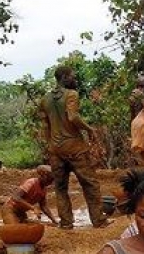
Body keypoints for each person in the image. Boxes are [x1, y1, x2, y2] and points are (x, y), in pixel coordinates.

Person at [38, 65, 111, 229]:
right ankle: (98, 220)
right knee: (90, 183)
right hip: (75, 147)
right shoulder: (71, 94)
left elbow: (45, 126)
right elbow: (72, 117)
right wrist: (89, 129)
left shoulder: (45, 99)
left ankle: (66, 222)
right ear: (64, 77)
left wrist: (51, 146)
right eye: (72, 76)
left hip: (56, 150)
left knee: (60, 187)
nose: (75, 79)